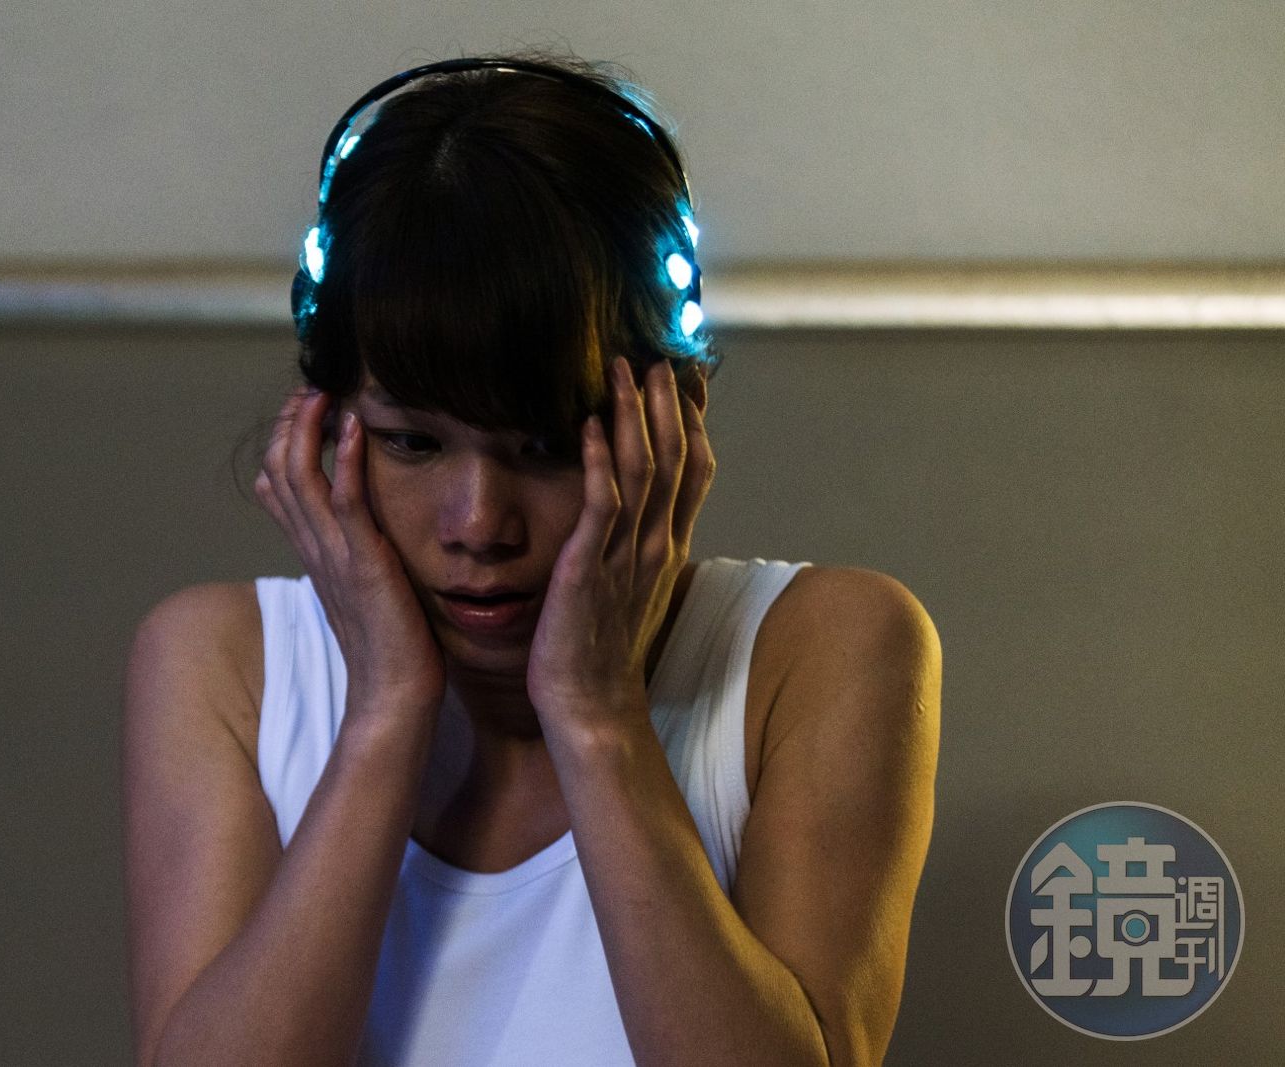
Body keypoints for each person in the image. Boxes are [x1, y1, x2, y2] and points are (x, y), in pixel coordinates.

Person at [121, 52, 941, 1067]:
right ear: (326, 425)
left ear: (673, 419)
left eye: (546, 445)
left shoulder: (820, 649)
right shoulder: (224, 664)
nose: (479, 523)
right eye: (413, 441)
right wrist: (384, 711)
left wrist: (597, 716)